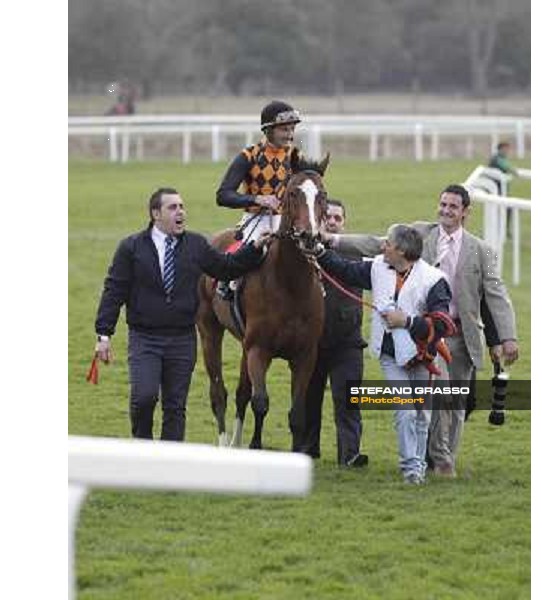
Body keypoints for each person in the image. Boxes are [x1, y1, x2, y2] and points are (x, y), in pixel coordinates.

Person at [324, 184, 519, 477]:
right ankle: (439, 461)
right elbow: (375, 244)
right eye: (443, 204)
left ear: (466, 212)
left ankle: (442, 456)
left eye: (453, 206)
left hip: (463, 337)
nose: (446, 211)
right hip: (424, 334)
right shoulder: (418, 234)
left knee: (454, 405)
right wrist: (332, 240)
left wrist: (508, 337)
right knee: (435, 399)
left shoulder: (485, 251)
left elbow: (496, 293)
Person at [93, 187, 269, 441]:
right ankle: (142, 447)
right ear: (156, 214)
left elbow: (226, 267)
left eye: (182, 207)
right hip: (145, 339)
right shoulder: (131, 248)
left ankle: (169, 463)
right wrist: (104, 335)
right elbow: (114, 290)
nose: (181, 212)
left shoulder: (196, 245)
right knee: (144, 397)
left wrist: (254, 248)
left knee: (175, 407)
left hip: (182, 340)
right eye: (173, 207)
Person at [315, 225, 454, 484]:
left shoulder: (434, 280)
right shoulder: (378, 267)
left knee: (421, 413)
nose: (382, 246)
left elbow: (444, 324)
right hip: (390, 355)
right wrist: (319, 252)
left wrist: (408, 322)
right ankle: (411, 470)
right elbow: (345, 270)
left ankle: (419, 465)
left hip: (423, 357)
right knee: (405, 411)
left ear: (401, 251)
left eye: (387, 243)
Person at [301, 199, 369, 468]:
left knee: (349, 399)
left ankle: (350, 455)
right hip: (311, 343)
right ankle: (307, 451)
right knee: (308, 400)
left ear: (345, 223)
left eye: (338, 218)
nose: (331, 221)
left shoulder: (356, 254)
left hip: (348, 342)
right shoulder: (301, 254)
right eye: (327, 216)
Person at [214, 99, 303, 298]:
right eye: (284, 130)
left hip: (288, 221)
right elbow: (223, 195)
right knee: (253, 252)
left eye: (291, 129)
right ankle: (227, 283)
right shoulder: (248, 156)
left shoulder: (296, 156)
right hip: (256, 221)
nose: (289, 135)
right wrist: (257, 200)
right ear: (268, 130)